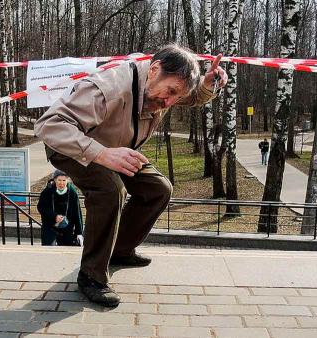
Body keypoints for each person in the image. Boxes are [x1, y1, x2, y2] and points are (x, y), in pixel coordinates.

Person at [34, 43, 227, 307]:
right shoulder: (107, 89)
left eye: (176, 96)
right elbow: (49, 125)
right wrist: (101, 154)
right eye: (170, 93)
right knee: (110, 190)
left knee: (158, 189)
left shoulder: (161, 83)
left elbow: (189, 97)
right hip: (71, 147)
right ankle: (91, 276)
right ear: (154, 69)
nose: (169, 103)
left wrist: (206, 86)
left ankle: (119, 250)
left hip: (116, 147)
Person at [37, 170, 84, 246]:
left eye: (64, 180)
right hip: (50, 228)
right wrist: (54, 216)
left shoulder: (72, 192)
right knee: (49, 251)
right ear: (55, 180)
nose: (61, 183)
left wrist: (79, 232)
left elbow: (77, 213)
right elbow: (41, 207)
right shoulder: (48, 191)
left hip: (67, 229)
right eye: (59, 180)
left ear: (68, 180)